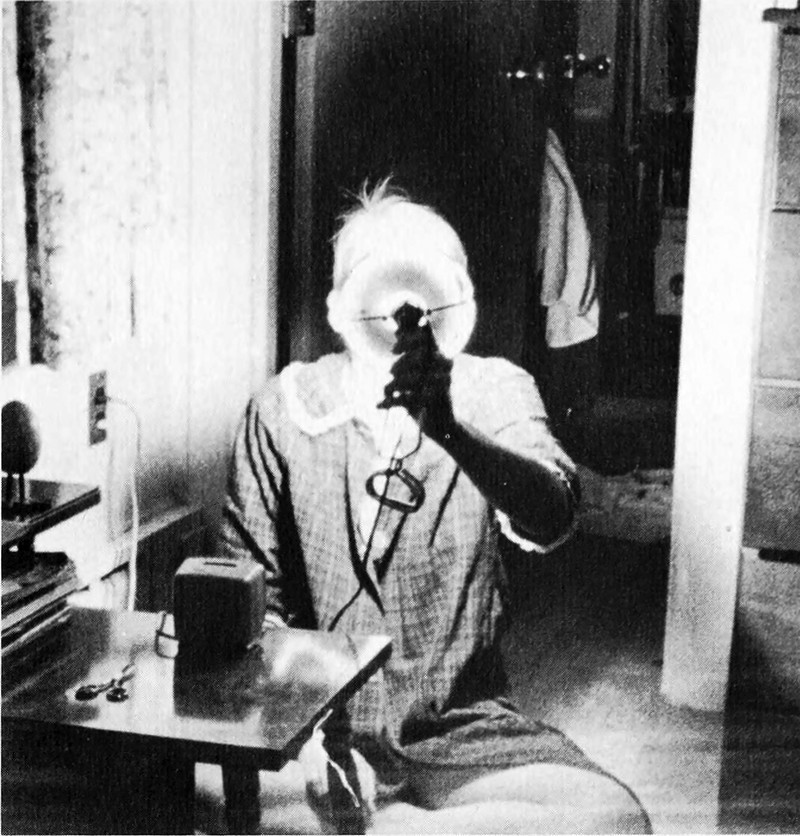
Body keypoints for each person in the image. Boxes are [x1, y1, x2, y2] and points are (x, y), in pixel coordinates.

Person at [196, 181, 650, 834]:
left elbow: (553, 514)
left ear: (457, 299)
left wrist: (451, 432)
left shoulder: (493, 389)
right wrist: (307, 741)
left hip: (459, 733)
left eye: (427, 285)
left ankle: (386, 827)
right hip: (312, 728)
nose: (405, 309)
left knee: (613, 820)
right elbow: (252, 601)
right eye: (383, 283)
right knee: (194, 786)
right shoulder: (284, 409)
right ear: (338, 307)